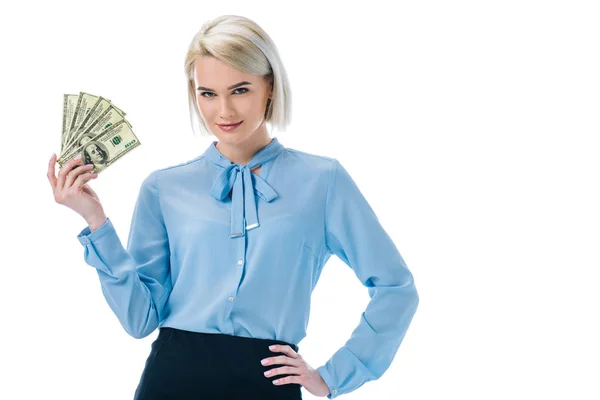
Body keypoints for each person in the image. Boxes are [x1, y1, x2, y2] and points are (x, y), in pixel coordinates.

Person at [46, 14, 419, 400]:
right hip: (170, 381)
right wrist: (95, 221)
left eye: (239, 90)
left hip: (267, 383)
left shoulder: (322, 182)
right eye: (208, 93)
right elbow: (140, 320)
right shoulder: (164, 188)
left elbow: (396, 287)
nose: (223, 110)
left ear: (269, 88)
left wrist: (335, 375)